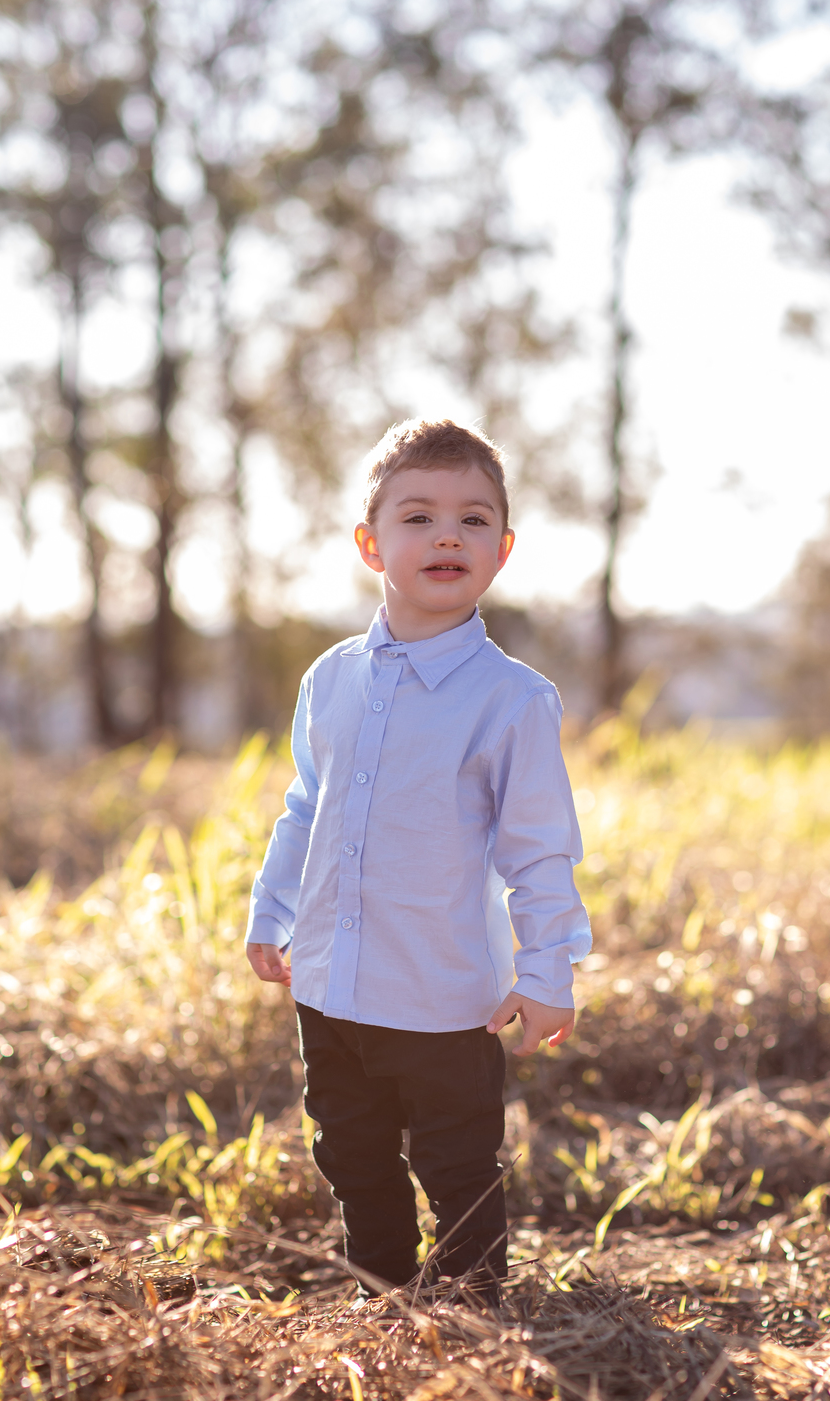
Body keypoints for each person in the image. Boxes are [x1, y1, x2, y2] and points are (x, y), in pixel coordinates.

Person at [245, 418, 591, 1307]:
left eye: (474, 520)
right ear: (371, 545)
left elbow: (539, 851)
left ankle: (473, 1309)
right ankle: (383, 1295)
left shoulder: (512, 700)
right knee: (351, 1153)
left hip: (444, 998)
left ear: (502, 550)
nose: (448, 536)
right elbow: (305, 806)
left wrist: (548, 971)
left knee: (457, 1162)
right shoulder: (331, 679)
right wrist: (271, 912)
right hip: (331, 985)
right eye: (418, 517)